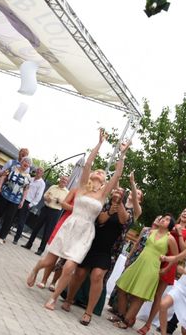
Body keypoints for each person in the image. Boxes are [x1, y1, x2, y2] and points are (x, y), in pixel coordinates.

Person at [27, 130, 130, 313]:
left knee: (69, 267)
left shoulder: (104, 193)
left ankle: (53, 298)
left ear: (104, 180)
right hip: (70, 225)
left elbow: (118, 173)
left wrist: (122, 153)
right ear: (90, 176)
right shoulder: (82, 187)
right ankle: (36, 269)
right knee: (48, 261)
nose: (98, 172)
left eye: (101, 172)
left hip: (85, 231)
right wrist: (99, 144)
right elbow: (88, 163)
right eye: (96, 171)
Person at [62, 186, 130, 325]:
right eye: (116, 191)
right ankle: (69, 299)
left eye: (120, 192)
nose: (117, 193)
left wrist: (119, 203)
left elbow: (124, 220)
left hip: (106, 251)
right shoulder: (103, 204)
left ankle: (88, 312)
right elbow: (101, 220)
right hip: (91, 244)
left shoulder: (126, 211)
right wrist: (110, 210)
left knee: (98, 275)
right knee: (80, 273)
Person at [111, 214, 178, 329]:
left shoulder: (170, 238)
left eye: (167, 219)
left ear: (170, 225)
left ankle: (126, 321)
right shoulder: (152, 232)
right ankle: (121, 315)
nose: (163, 220)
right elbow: (138, 244)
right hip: (139, 263)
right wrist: (129, 258)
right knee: (121, 286)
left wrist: (166, 268)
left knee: (139, 296)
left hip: (152, 268)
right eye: (163, 218)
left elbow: (176, 257)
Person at [138, 206, 186, 335]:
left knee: (158, 295)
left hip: (170, 261)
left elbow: (184, 250)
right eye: (184, 211)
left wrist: (180, 234)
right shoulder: (170, 223)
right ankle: (132, 314)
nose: (185, 213)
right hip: (157, 258)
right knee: (145, 287)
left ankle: (148, 324)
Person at [21, 175, 69, 251]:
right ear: (60, 179)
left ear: (67, 182)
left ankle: (41, 249)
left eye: (65, 180)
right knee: (36, 227)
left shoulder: (67, 192)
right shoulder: (53, 187)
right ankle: (29, 244)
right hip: (46, 209)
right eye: (63, 179)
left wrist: (61, 202)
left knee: (48, 231)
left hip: (55, 212)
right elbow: (45, 195)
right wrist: (46, 198)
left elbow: (65, 205)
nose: (63, 181)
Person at [0, 156, 32, 243]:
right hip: (4, 194)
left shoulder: (28, 177)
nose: (26, 163)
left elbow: (26, 189)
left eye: (28, 163)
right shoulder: (12, 168)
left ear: (29, 166)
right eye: (25, 161)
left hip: (15, 200)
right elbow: (3, 177)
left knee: (9, 219)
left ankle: (2, 237)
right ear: (22, 161)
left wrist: (23, 200)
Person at [12, 167, 45, 244]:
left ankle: (16, 239)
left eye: (40, 171)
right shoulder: (30, 179)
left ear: (42, 173)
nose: (38, 171)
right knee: (12, 215)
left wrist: (31, 205)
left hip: (27, 203)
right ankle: (4, 232)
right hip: (20, 199)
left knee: (21, 221)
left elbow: (38, 196)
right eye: (38, 170)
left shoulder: (42, 184)